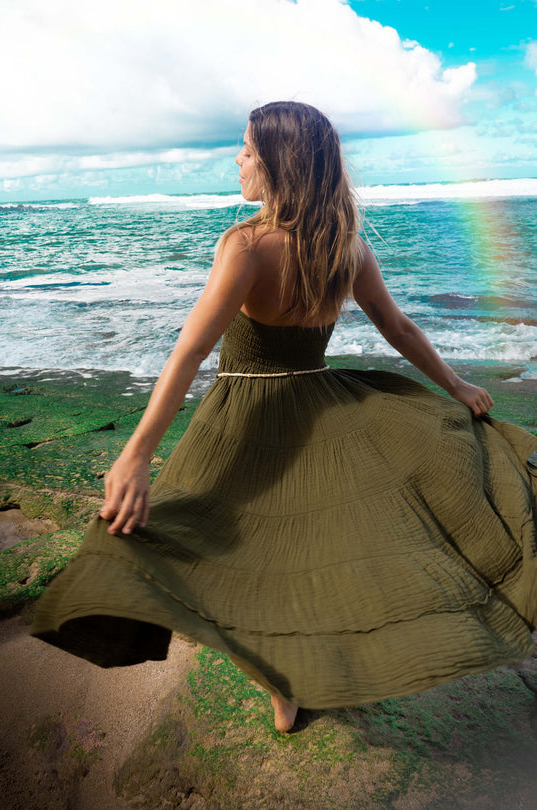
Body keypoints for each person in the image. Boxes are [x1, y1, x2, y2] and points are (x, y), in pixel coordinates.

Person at [32, 101, 537, 734]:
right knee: (314, 549)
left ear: (278, 164)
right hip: (324, 407)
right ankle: (308, 673)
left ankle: (282, 685)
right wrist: (457, 386)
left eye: (247, 149)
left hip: (247, 414)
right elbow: (398, 327)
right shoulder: (343, 244)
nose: (238, 159)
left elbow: (190, 352)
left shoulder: (245, 245)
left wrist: (135, 453)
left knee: (229, 545)